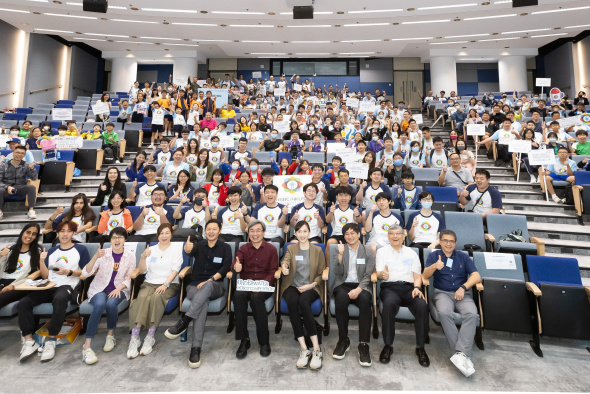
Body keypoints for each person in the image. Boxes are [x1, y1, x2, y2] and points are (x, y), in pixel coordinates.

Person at [18, 221, 90, 362]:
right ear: (57, 233)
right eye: (62, 231)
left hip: (67, 285)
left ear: (74, 233)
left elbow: (86, 273)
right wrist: (41, 262)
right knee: (24, 303)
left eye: (68, 231)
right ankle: (28, 341)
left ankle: (51, 340)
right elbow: (45, 276)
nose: (65, 234)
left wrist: (69, 272)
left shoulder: (81, 250)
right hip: (49, 285)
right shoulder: (51, 251)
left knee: (60, 299)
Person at [164, 220, 232, 368]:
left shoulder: (225, 247)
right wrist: (188, 249)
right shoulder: (199, 245)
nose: (211, 232)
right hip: (194, 286)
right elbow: (190, 251)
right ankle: (195, 349)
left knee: (207, 287)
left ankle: (185, 321)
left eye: (215, 229)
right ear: (205, 231)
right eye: (209, 229)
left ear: (219, 231)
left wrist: (211, 279)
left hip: (216, 285)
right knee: (202, 303)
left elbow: (226, 267)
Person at [423, 229, 482, 377]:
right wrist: (434, 266)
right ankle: (462, 353)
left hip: (462, 293)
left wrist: (463, 287)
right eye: (445, 240)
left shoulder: (463, 256)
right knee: (444, 312)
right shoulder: (433, 255)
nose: (448, 244)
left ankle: (459, 353)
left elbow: (476, 276)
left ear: (455, 243)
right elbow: (425, 275)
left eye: (451, 241)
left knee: (472, 314)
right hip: (442, 293)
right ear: (441, 241)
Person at [375, 224, 430, 367]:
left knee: (422, 305)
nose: (395, 236)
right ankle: (388, 345)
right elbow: (379, 273)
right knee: (388, 304)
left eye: (397, 233)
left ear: (403, 235)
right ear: (388, 236)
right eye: (391, 233)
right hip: (390, 287)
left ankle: (420, 347)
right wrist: (382, 274)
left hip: (409, 288)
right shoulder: (382, 252)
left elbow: (417, 275)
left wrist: (417, 287)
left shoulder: (412, 253)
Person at [80, 228, 136, 364]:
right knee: (99, 304)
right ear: (110, 240)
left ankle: (110, 335)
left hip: (119, 289)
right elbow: (86, 273)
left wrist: (120, 288)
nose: (117, 240)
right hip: (99, 289)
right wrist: (94, 257)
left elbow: (129, 277)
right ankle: (86, 346)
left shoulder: (130, 256)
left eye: (120, 237)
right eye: (114, 237)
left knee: (111, 304)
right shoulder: (103, 254)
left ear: (125, 240)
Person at [127, 223, 183, 359]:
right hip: (149, 283)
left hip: (169, 284)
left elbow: (176, 269)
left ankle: (150, 336)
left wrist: (165, 284)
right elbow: (142, 271)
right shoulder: (150, 249)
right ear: (157, 235)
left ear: (171, 234)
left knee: (156, 298)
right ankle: (135, 336)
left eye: (167, 233)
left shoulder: (176, 248)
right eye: (161, 233)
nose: (164, 236)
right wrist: (143, 257)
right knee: (141, 298)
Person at [280, 221, 325, 370]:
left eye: (305, 231)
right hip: (292, 285)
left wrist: (311, 285)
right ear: (295, 233)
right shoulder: (291, 249)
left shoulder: (317, 250)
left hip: (311, 285)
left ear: (309, 233)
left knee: (304, 302)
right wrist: (284, 267)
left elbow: (321, 273)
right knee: (292, 302)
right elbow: (285, 261)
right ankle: (304, 349)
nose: (302, 235)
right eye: (299, 232)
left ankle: (317, 350)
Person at [231, 220, 279, 359]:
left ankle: (264, 341)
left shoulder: (271, 249)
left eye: (258, 230)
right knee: (238, 296)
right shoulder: (243, 248)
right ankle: (243, 340)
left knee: (256, 298)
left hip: (264, 284)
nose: (255, 234)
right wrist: (236, 267)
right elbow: (236, 262)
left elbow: (273, 271)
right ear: (248, 233)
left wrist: (262, 285)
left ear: (263, 233)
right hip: (247, 283)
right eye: (252, 231)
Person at [330, 223, 375, 367]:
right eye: (346, 234)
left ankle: (363, 344)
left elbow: (369, 274)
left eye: (352, 233)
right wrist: (340, 255)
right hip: (343, 284)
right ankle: (343, 340)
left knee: (365, 301)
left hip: (361, 285)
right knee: (341, 300)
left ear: (358, 234)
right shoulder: (340, 249)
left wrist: (359, 288)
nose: (350, 236)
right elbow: (337, 273)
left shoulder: (368, 251)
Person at [0, 224, 41, 309]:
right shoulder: (9, 250)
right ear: (22, 233)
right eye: (28, 232)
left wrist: (13, 286)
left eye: (34, 234)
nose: (30, 236)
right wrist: (1, 256)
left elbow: (33, 276)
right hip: (3, 281)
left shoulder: (37, 253)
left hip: (19, 285)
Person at [0, 145, 38, 220]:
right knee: (0, 190)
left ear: (24, 155)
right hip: (7, 188)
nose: (19, 155)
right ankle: (0, 211)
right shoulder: (4, 166)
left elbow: (34, 178)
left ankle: (31, 210)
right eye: (17, 152)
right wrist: (6, 187)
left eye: (22, 153)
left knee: (31, 187)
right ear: (13, 153)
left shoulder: (26, 165)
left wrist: (32, 169)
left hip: (20, 187)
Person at [365, 192, 404, 256]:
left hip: (391, 241)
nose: (381, 202)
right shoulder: (373, 215)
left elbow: (400, 234)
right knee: (373, 247)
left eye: (383, 200)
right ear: (376, 203)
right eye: (379, 200)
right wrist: (371, 212)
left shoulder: (397, 217)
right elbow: (367, 229)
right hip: (374, 241)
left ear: (389, 202)